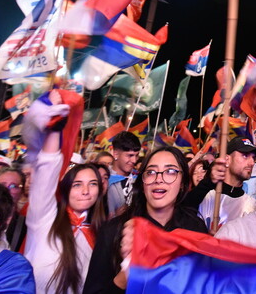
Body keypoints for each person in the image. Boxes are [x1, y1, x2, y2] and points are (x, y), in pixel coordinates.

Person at [83, 146, 207, 293]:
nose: (158, 179)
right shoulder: (114, 231)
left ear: (182, 183)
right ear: (142, 183)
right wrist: (125, 276)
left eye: (170, 171)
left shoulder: (195, 229)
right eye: (151, 172)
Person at [24, 113, 106, 294]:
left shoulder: (102, 231)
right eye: (77, 185)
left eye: (93, 184)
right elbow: (46, 173)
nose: (86, 191)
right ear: (65, 188)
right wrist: (55, 127)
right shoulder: (44, 218)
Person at [184, 137, 256, 228]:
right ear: (227, 159)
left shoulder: (253, 207)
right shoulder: (204, 196)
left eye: (253, 158)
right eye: (245, 156)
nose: (252, 163)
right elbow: (181, 212)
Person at [0, 166, 28, 252]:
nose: (7, 190)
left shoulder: (25, 225)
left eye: (14, 186)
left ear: (22, 191)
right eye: (2, 185)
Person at [106, 132, 141, 216]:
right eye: (130, 155)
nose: (134, 160)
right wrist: (115, 218)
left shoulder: (139, 179)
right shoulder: (104, 181)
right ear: (116, 154)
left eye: (137, 155)